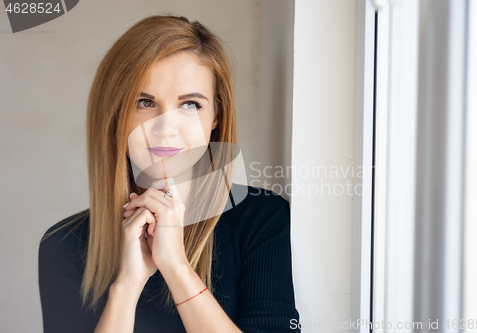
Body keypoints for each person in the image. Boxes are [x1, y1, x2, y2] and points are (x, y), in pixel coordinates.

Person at [38, 14, 301, 333]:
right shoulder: (63, 244)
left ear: (216, 116)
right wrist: (126, 287)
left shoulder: (262, 219)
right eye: (144, 102)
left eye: (190, 104)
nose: (166, 128)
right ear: (114, 115)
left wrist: (176, 266)